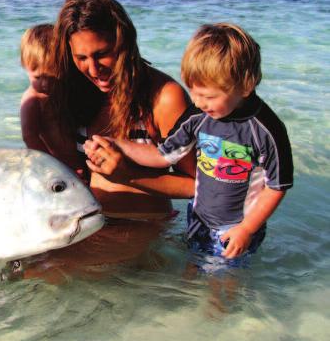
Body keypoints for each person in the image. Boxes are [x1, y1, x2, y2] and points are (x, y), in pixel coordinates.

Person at [20, 0, 196, 283]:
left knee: (42, 275)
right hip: (83, 221)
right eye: (81, 58)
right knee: (7, 264)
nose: (93, 69)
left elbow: (200, 186)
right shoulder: (72, 91)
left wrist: (128, 176)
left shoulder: (164, 98)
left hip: (140, 225)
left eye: (102, 54)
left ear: (124, 41)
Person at [91, 23, 293, 264]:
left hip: (236, 226)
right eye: (194, 93)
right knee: (193, 268)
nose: (198, 103)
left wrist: (248, 229)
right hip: (199, 217)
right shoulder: (198, 115)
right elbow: (162, 155)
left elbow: (277, 186)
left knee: (223, 284)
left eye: (208, 96)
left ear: (246, 86)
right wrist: (118, 145)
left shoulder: (266, 130)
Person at [19, 23, 82, 174]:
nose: (45, 84)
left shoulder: (63, 89)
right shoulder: (32, 101)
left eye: (53, 77)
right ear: (24, 65)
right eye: (38, 77)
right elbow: (30, 137)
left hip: (79, 158)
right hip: (56, 162)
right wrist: (52, 166)